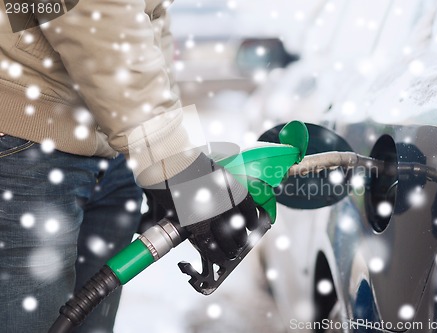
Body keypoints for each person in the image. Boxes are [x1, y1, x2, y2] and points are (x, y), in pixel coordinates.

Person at [0, 1, 257, 332]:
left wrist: (168, 157)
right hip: (28, 145)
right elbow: (99, 14)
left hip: (111, 150)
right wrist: (171, 164)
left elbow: (149, 23)